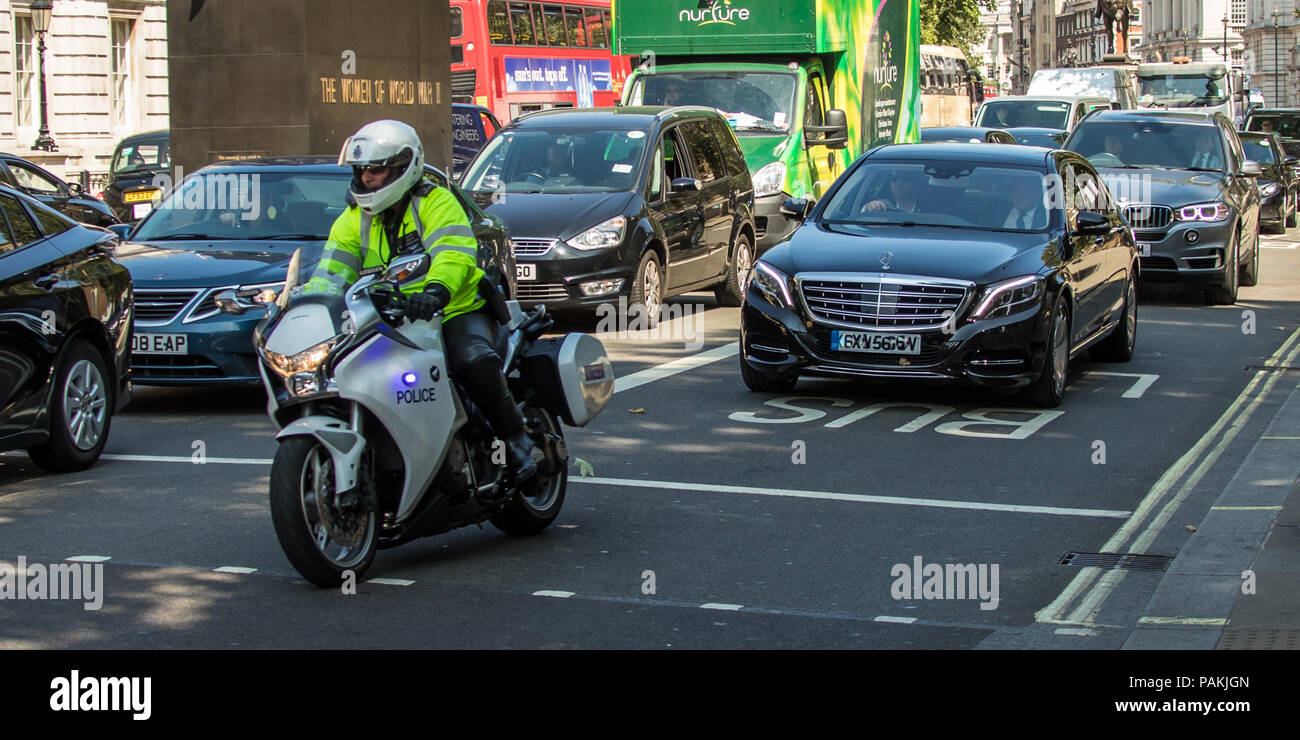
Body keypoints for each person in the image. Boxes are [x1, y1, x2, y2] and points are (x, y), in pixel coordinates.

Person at [305, 119, 538, 481]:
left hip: (454, 310)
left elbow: (454, 254)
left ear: (403, 167)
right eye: (361, 170)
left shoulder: (436, 203)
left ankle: (517, 440)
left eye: (376, 170)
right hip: (385, 318)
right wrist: (311, 305)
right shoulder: (352, 219)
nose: (366, 178)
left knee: (471, 361)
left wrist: (436, 292)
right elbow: (331, 273)